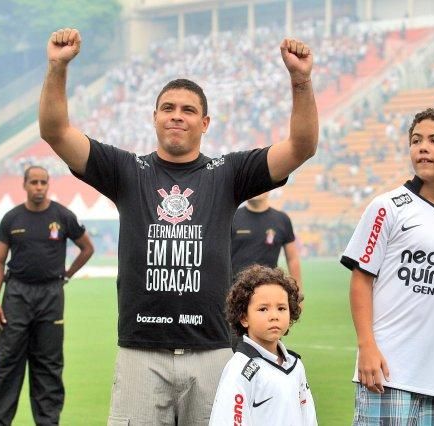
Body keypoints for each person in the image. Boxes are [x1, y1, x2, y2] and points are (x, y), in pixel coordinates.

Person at [38, 28, 318, 425]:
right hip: (141, 352)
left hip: (212, 352)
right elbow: (55, 132)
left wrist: (301, 81)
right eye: (168, 108)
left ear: (205, 122)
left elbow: (301, 146)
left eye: (188, 110)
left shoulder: (229, 173)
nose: (176, 116)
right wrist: (57, 67)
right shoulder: (126, 171)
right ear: (154, 117)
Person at [340, 108, 434, 425]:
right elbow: (361, 280)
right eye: (416, 140)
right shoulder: (387, 207)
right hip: (387, 375)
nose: (422, 147)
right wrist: (366, 346)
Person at [0, 165, 94, 426]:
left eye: (43, 182)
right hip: (16, 295)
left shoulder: (63, 216)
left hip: (51, 296)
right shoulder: (12, 219)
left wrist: (66, 275)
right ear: (24, 184)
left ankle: (48, 422)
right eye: (33, 182)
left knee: (48, 365)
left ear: (48, 185)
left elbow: (87, 248)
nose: (38, 187)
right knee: (7, 364)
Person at [209, 265, 317, 425]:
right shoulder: (241, 370)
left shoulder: (296, 365)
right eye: (263, 309)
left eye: (281, 308)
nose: (274, 316)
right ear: (244, 317)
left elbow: (308, 417)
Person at [231, 191, 302, 290]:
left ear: (268, 187)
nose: (256, 188)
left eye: (259, 183)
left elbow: (292, 259)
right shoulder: (231, 217)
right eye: (252, 184)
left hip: (268, 292)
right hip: (235, 292)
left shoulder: (282, 219)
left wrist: (298, 295)